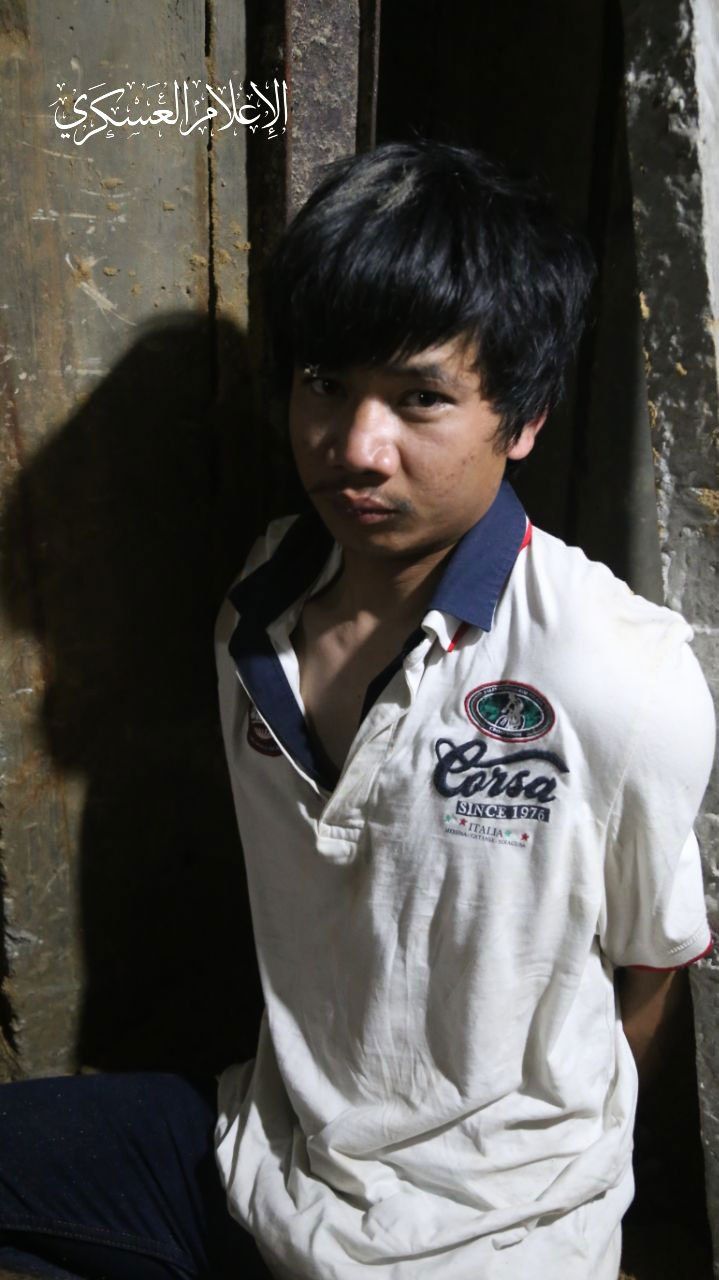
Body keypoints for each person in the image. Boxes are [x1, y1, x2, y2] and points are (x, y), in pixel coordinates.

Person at [0, 140, 714, 1280]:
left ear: (523, 416)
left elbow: (650, 971)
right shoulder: (258, 603)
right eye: (324, 383)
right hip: (265, 1156)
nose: (352, 448)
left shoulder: (615, 674)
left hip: (485, 1240)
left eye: (420, 397)